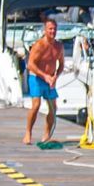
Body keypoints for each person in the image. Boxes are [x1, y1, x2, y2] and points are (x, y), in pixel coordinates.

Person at [23, 16, 65, 147]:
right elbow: (30, 65)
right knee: (36, 105)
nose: (52, 31)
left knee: (53, 108)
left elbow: (61, 64)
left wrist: (55, 76)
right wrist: (44, 76)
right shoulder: (39, 45)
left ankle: (46, 134)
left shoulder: (59, 46)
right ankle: (28, 132)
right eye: (50, 29)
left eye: (54, 29)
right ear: (45, 30)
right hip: (36, 78)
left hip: (50, 80)